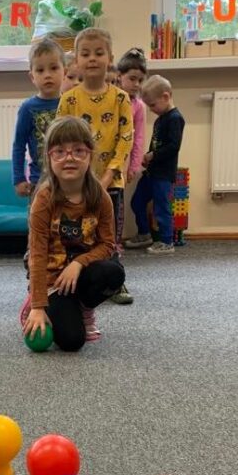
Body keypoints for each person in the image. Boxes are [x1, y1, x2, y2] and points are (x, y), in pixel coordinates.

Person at [21, 116, 125, 351]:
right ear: (49, 157)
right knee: (72, 342)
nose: (69, 158)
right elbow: (37, 254)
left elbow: (107, 245)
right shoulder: (44, 199)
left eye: (78, 151)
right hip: (52, 280)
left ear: (90, 155)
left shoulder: (100, 197)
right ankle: (34, 304)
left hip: (82, 273)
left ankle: (84, 308)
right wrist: (38, 306)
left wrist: (78, 263)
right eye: (60, 152)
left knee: (113, 273)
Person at [57, 27, 134, 311]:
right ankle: (76, 277)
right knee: (78, 232)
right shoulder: (69, 100)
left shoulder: (121, 98)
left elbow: (126, 138)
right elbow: (60, 139)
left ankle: (114, 280)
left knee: (108, 234)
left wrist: (109, 174)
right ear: (76, 60)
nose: (92, 59)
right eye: (86, 54)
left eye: (99, 53)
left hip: (111, 183)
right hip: (76, 184)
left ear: (110, 58)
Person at [125, 74, 185, 256]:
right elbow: (157, 144)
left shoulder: (175, 118)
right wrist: (147, 157)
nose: (151, 110)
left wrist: (153, 155)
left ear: (165, 97)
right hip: (152, 172)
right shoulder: (160, 119)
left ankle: (167, 242)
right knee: (137, 202)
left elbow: (173, 146)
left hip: (163, 174)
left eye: (152, 105)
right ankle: (144, 233)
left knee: (161, 207)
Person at [11, 37, 66, 198]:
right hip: (39, 182)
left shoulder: (71, 103)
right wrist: (19, 178)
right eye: (40, 70)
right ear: (32, 76)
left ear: (64, 71)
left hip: (69, 181)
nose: (47, 75)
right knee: (39, 215)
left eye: (54, 68)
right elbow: (19, 145)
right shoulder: (28, 108)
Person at [116, 47, 148, 186]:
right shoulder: (109, 97)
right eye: (132, 79)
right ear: (119, 76)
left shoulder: (139, 106)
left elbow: (139, 137)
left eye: (140, 80)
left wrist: (134, 166)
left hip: (123, 161)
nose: (136, 84)